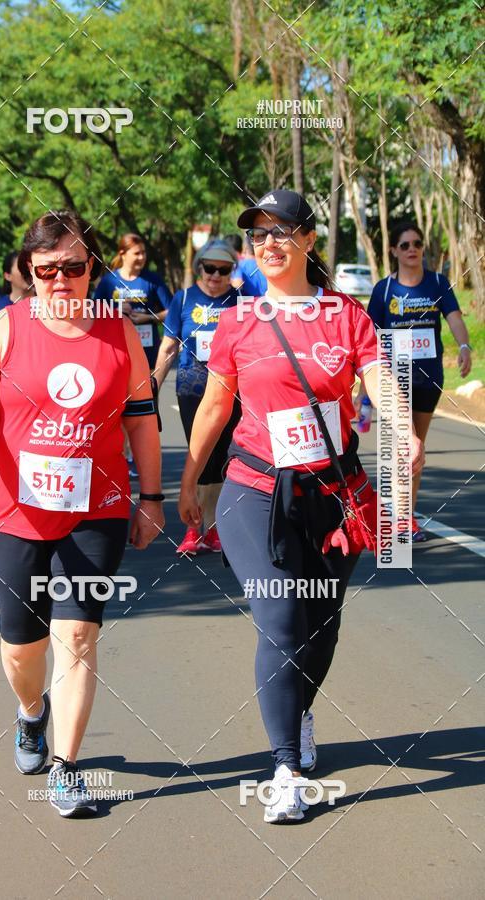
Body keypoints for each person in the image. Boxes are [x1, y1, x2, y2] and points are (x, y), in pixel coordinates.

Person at [179, 189, 424, 823]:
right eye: (257, 235)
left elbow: (380, 384)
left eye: (281, 231)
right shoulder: (238, 320)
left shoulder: (347, 317)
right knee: (281, 617)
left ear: (309, 240)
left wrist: (403, 431)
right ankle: (284, 767)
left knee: (321, 622)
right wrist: (186, 482)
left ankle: (300, 707)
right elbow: (213, 405)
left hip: (333, 495)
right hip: (255, 488)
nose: (268, 243)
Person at [0, 209, 164, 818]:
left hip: (95, 507)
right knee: (23, 646)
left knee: (76, 634)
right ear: (30, 271)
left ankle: (67, 768)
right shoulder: (5, 327)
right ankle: (30, 712)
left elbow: (141, 422)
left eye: (75, 267)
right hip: (17, 509)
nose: (62, 281)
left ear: (93, 269)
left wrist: (149, 498)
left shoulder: (119, 332)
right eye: (48, 270)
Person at [366, 222, 471, 542]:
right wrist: (365, 388)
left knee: (416, 449)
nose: (413, 249)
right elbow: (369, 335)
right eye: (406, 244)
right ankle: (400, 519)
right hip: (392, 380)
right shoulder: (384, 290)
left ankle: (406, 516)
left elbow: (455, 318)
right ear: (394, 251)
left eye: (417, 244)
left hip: (428, 378)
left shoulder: (438, 283)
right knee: (403, 445)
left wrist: (464, 347)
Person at [155, 239, 241, 554]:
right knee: (198, 457)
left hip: (230, 389)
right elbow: (168, 347)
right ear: (199, 268)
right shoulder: (184, 298)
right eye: (210, 269)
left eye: (224, 270)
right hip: (192, 387)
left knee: (221, 458)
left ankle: (215, 529)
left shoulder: (243, 299)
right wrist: (154, 385)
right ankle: (193, 531)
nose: (215, 276)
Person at [93, 233, 172, 370]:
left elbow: (172, 311)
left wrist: (150, 317)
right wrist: (114, 309)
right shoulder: (109, 281)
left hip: (147, 352)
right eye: (136, 253)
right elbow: (93, 311)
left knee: (145, 391)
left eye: (143, 253)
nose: (142, 257)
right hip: (117, 350)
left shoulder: (153, 279)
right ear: (122, 254)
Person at [0, 251, 33, 326]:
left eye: (30, 266)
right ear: (7, 276)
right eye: (21, 267)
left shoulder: (46, 306)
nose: (28, 271)